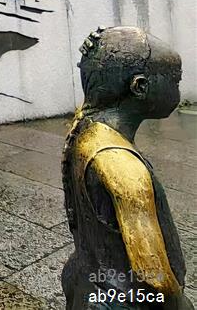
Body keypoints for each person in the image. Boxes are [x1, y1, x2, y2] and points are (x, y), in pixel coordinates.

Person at [61, 26, 193, 309]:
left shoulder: (84, 127)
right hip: (124, 299)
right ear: (140, 87)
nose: (178, 89)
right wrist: (180, 303)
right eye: (175, 80)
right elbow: (153, 273)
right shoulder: (123, 167)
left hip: (89, 279)